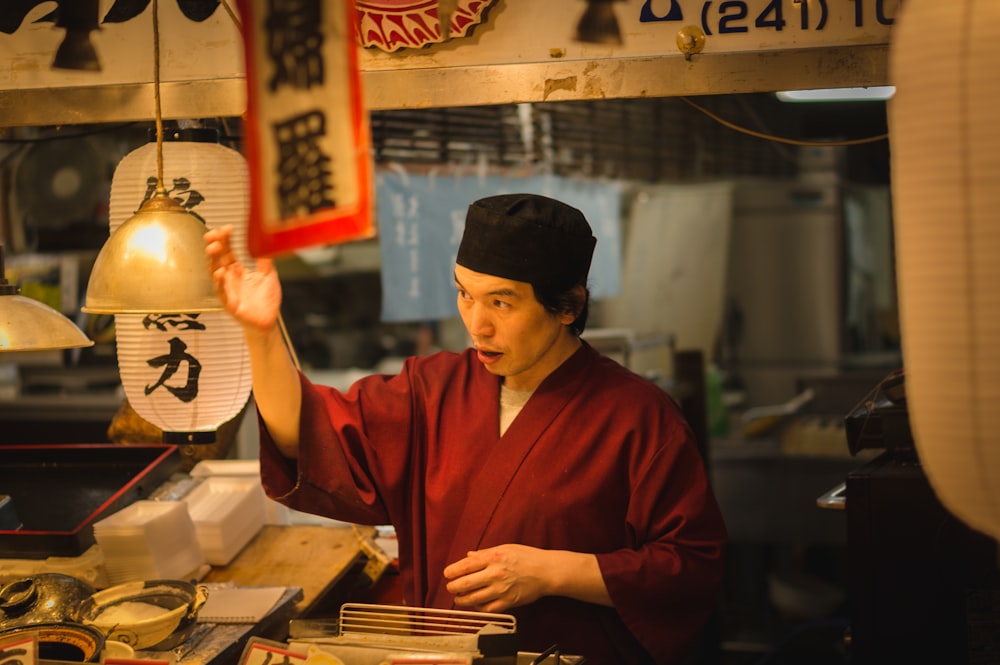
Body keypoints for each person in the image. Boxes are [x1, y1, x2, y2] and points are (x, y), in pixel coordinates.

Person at [205, 193, 727, 665]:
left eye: (501, 302)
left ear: (567, 306)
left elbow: (689, 566)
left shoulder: (639, 416)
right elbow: (305, 438)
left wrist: (552, 572)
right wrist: (261, 333)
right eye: (464, 294)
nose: (476, 324)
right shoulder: (431, 388)